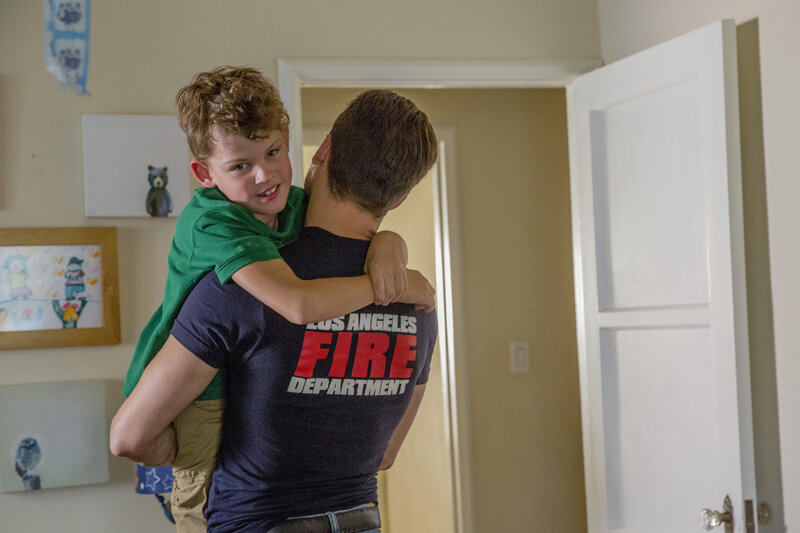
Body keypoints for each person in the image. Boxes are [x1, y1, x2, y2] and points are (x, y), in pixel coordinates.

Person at [111, 88, 439, 533]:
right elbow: (385, 455)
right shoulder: (418, 303)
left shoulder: (242, 284)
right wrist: (389, 245)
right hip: (361, 520)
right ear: (398, 199)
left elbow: (128, 437)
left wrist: (179, 454)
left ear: (323, 149)